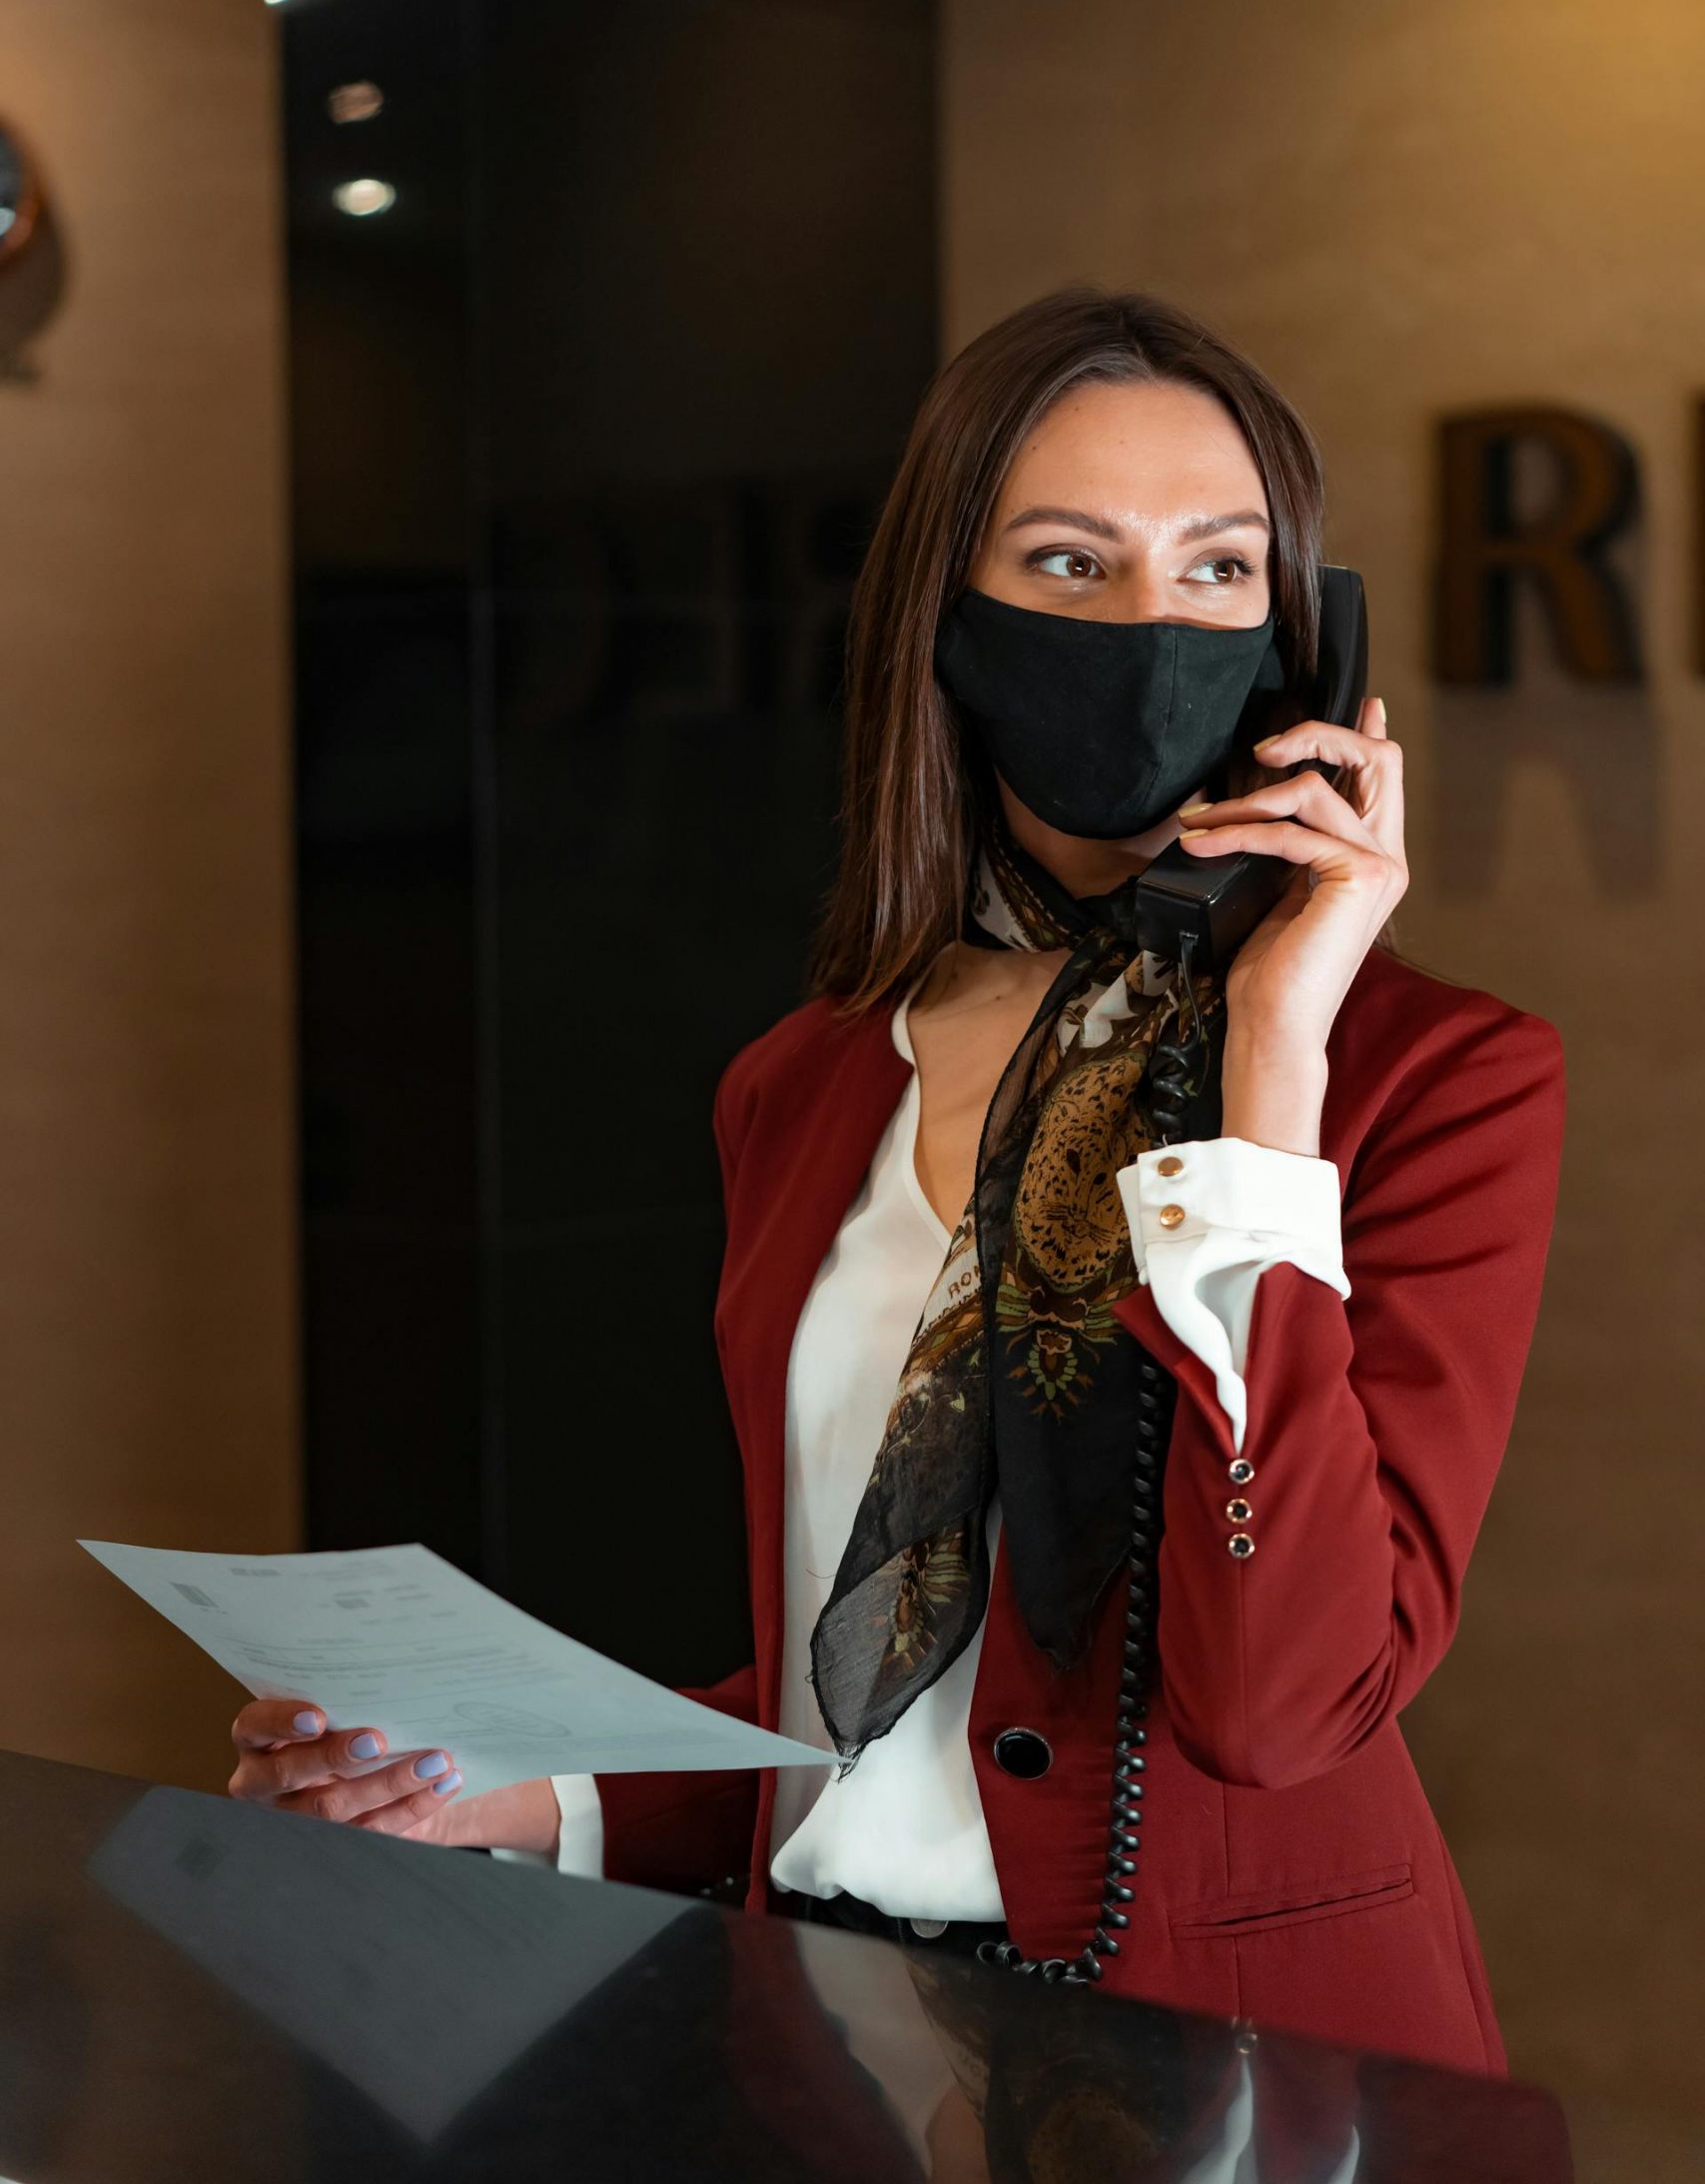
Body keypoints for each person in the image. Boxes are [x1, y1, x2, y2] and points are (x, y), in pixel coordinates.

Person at [226, 289, 1565, 2075]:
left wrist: (1268, 1076)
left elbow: (1284, 1695)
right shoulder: (805, 1085)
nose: (1157, 625)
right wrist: (498, 1792)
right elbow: (864, 1676)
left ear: (1305, 644)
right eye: (1075, 567)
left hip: (1266, 2079)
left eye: (1223, 570)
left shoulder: (1434, 1079)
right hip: (842, 2058)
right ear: (951, 625)